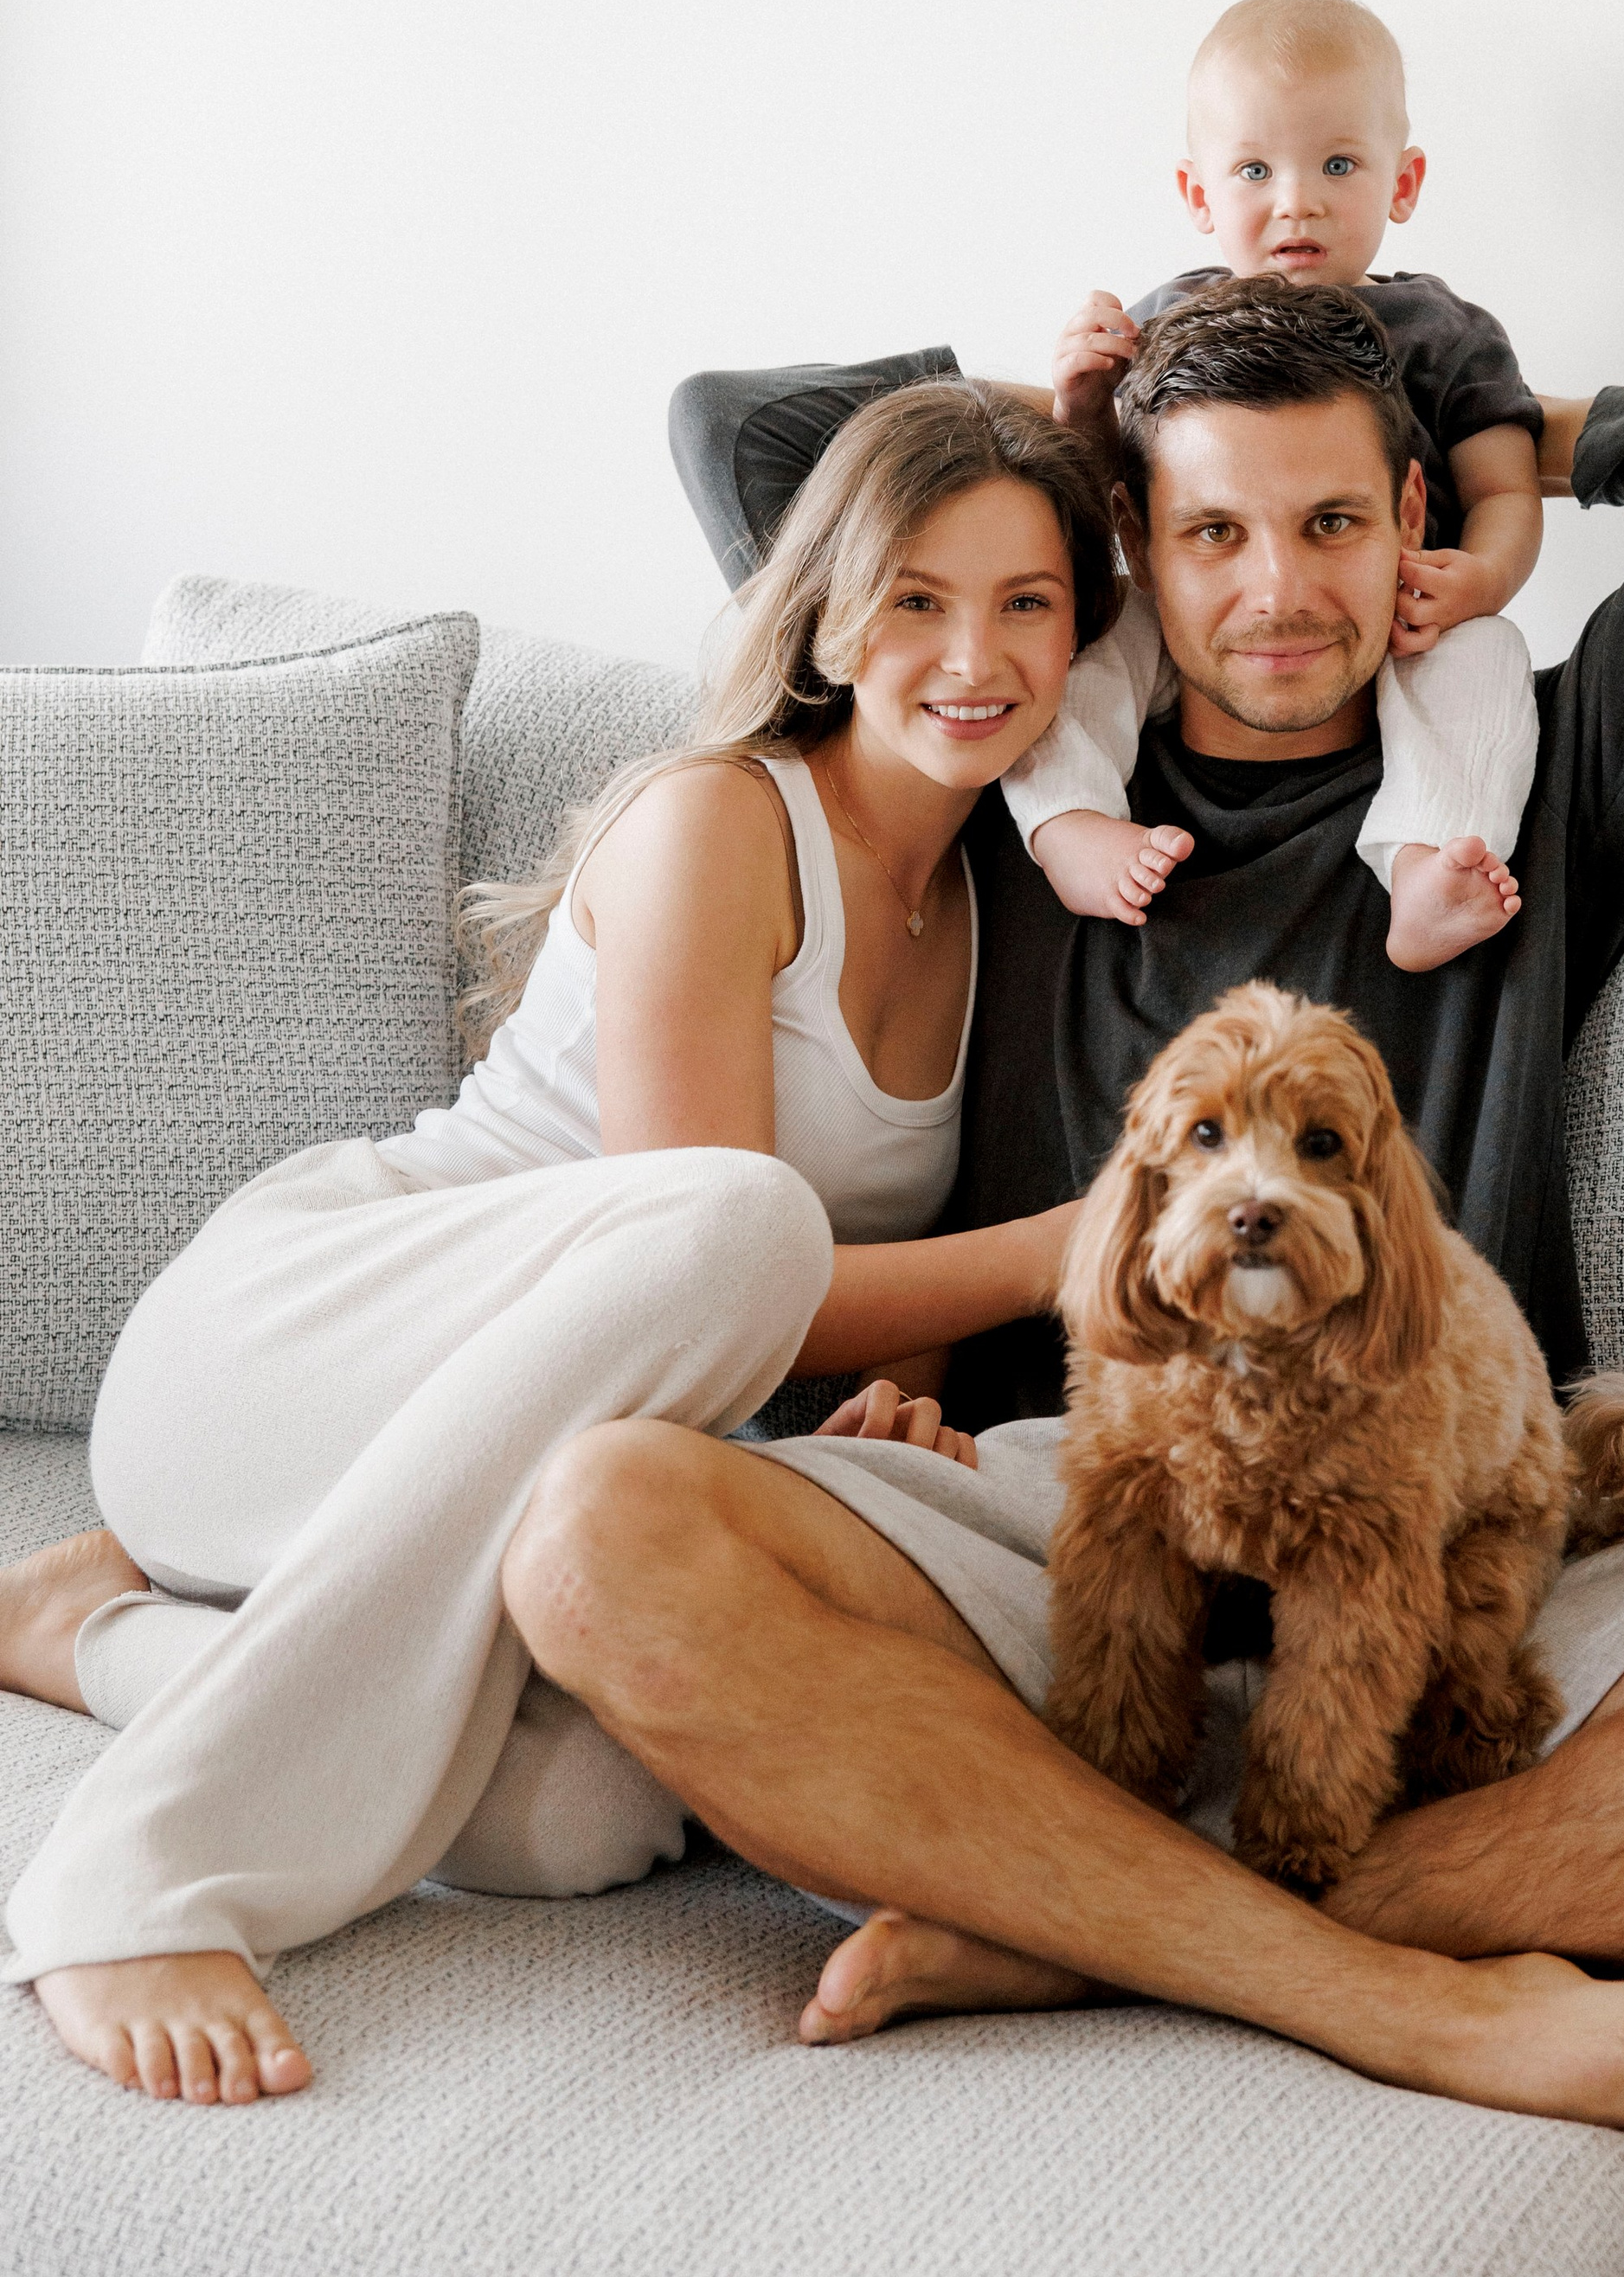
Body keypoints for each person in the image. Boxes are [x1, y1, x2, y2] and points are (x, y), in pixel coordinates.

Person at [568, 282, 1624, 2160]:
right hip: (1072, 1500)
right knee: (598, 1528)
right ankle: (1395, 1993)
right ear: (1127, 556)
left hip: (1453, 1523)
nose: (1275, 592)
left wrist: (1484, 434)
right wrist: (1092, 413)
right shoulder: (1022, 770)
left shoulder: (1535, 787)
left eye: (1330, 522)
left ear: (1405, 524)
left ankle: (1109, 1918)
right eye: (1208, 532)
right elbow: (738, 431)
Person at [0, 382, 1120, 2105]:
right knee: (732, 1216)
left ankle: (85, 1632)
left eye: (1023, 603)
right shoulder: (718, 824)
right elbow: (707, 1246)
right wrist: (1063, 1251)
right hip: (279, 1363)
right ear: (826, 612)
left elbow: (828, 1298)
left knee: (589, 1816)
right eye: (915, 596)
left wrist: (868, 1424)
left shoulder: (999, 906)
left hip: (480, 1470)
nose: (970, 654)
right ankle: (121, 1874)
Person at [1004, 0, 1541, 971]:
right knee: (1078, 637)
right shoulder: (1166, 330)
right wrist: (1075, 405)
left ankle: (1424, 862)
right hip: (1194, 638)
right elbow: (1103, 501)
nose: (1296, 198)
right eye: (1254, 168)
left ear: (1404, 181)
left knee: (1486, 656)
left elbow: (1507, 485)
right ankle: (1068, 822)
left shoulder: (1447, 334)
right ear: (1199, 196)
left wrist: (1484, 580)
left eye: (1338, 163)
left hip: (1402, 623)